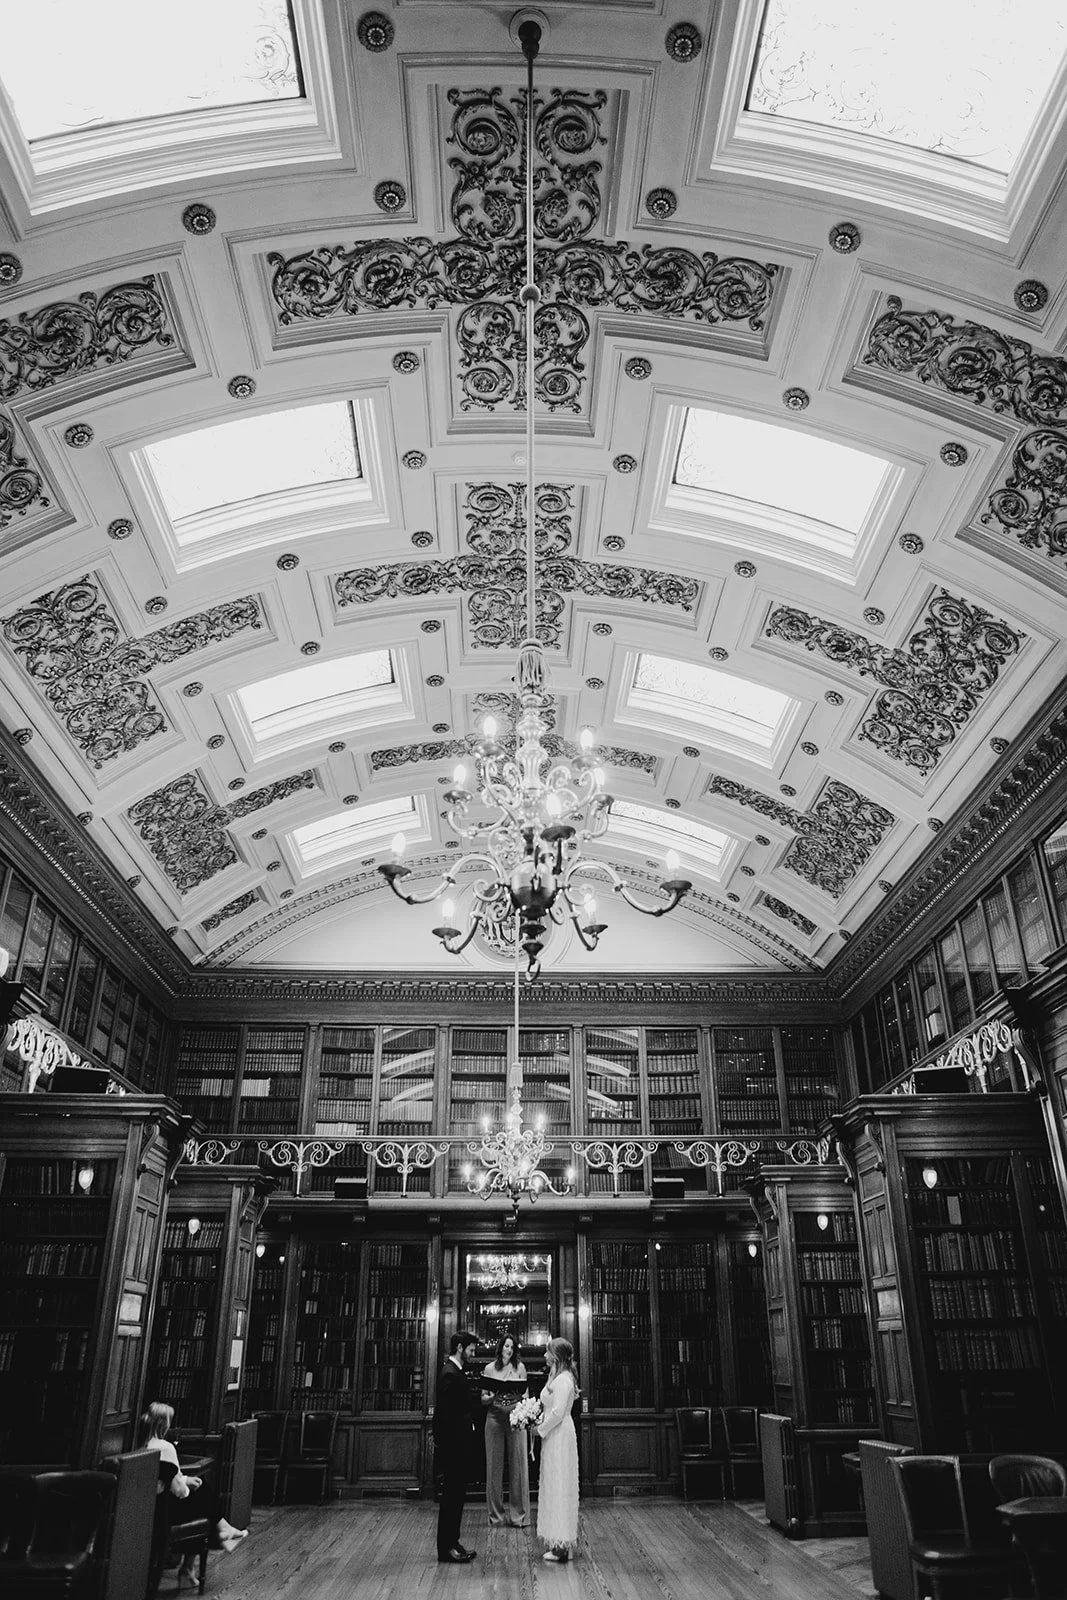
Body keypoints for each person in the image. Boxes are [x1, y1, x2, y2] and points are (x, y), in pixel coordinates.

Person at [138, 1402, 247, 1591]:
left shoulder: (140, 1444)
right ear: (164, 1424)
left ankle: (223, 1530)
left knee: (201, 1490)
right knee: (202, 1495)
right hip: (164, 1512)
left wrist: (186, 1479)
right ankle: (217, 1536)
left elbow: (168, 1478)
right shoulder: (165, 1447)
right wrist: (188, 1485)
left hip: (145, 1507)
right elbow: (179, 1491)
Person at [432, 1330, 480, 1564]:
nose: (473, 1353)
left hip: (458, 1446)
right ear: (460, 1347)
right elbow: (447, 1417)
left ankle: (454, 1542)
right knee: (451, 1498)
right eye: (471, 1349)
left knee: (457, 1497)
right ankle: (446, 1548)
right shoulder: (450, 1374)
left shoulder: (455, 1372)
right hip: (454, 1448)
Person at [536, 1336, 579, 1562]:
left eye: (548, 1352)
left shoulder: (563, 1380)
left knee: (560, 1485)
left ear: (557, 1356)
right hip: (555, 1434)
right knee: (555, 1484)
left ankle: (562, 1545)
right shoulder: (556, 1376)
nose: (544, 1355)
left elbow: (558, 1412)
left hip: (560, 1434)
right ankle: (561, 1543)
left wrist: (539, 1429)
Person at [480, 1331, 529, 1527]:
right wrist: (491, 1397)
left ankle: (518, 1516)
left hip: (516, 1419)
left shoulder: (520, 1368)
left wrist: (519, 1396)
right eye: (506, 1346)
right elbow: (483, 1398)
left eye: (512, 1346)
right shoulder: (489, 1368)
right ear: (500, 1348)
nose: (509, 1349)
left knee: (517, 1467)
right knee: (494, 1468)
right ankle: (496, 1516)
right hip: (494, 1418)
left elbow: (526, 1396)